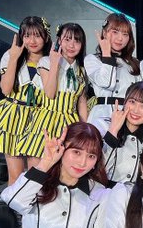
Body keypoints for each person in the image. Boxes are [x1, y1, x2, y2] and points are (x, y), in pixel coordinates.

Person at [0, 16, 51, 184]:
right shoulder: (10, 56)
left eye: (37, 35)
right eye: (27, 36)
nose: (32, 41)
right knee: (15, 175)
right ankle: (14, 202)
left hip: (40, 118)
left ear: (46, 37)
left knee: (36, 175)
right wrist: (14, 58)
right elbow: (6, 90)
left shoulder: (53, 60)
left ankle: (35, 202)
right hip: (14, 118)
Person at [17, 23, 89, 157]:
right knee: (37, 164)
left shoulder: (81, 70)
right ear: (59, 41)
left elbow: (82, 103)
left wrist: (86, 129)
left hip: (70, 125)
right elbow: (50, 94)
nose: (72, 45)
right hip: (46, 122)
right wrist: (55, 63)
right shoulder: (46, 62)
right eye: (67, 39)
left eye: (77, 41)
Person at [85, 13, 142, 135]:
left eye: (125, 34)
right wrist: (107, 55)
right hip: (102, 117)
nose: (120, 38)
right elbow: (106, 83)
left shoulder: (134, 63)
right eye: (115, 32)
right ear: (105, 33)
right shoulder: (92, 59)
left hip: (128, 117)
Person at [103, 81, 143, 186]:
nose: (136, 110)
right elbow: (97, 169)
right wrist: (113, 131)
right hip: (104, 192)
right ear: (125, 102)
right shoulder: (103, 126)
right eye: (132, 102)